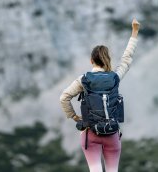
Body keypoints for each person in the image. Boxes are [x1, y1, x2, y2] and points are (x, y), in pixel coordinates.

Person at [59, 18, 140, 172]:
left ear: (91, 61)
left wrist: (75, 117)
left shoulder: (84, 79)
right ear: (106, 60)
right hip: (112, 133)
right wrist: (134, 33)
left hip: (91, 133)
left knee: (95, 169)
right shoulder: (115, 77)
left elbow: (64, 97)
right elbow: (126, 60)